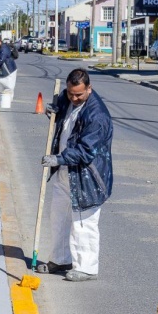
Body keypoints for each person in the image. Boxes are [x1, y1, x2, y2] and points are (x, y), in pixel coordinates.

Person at [38, 68, 113, 282]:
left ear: (89, 89)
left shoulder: (97, 116)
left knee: (83, 222)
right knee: (58, 217)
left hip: (87, 177)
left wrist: (57, 158)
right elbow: (63, 116)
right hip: (66, 173)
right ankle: (60, 259)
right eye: (71, 93)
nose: (74, 98)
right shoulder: (67, 97)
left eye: (79, 94)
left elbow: (86, 150)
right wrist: (55, 110)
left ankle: (87, 267)